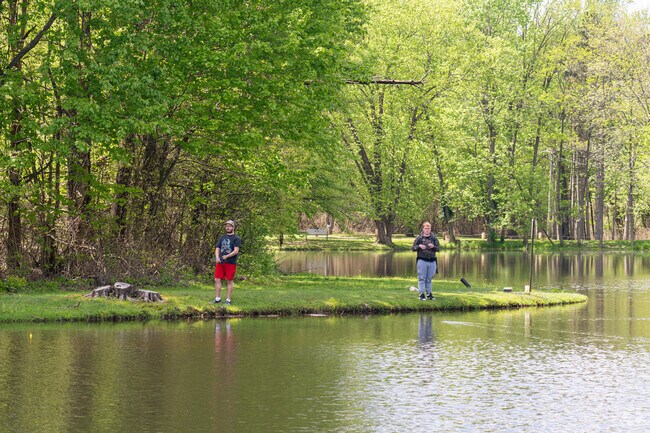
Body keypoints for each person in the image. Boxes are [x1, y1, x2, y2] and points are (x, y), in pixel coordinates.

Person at [213, 220, 241, 305]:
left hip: (230, 262)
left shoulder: (236, 238)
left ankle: (228, 300)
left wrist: (227, 256)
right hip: (220, 262)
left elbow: (236, 251)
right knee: (217, 279)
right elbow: (217, 248)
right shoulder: (222, 237)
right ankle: (217, 299)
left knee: (229, 280)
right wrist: (217, 257)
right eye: (227, 226)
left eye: (230, 226)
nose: (228, 227)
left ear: (233, 227)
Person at [411, 221, 440, 301]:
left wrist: (433, 246)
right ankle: (421, 295)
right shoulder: (419, 238)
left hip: (432, 261)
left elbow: (438, 249)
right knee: (422, 278)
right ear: (423, 229)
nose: (427, 230)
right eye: (426, 228)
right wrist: (419, 246)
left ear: (430, 229)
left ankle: (429, 294)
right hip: (422, 260)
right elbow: (413, 248)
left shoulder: (434, 238)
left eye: (429, 228)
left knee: (429, 279)